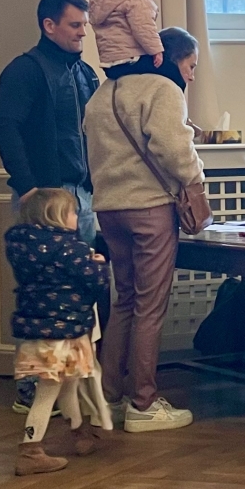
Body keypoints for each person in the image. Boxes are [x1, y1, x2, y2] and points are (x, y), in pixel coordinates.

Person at [84, 25, 203, 433]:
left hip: (108, 208)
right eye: (190, 66)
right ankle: (144, 404)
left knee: (124, 301)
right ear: (171, 59)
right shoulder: (162, 89)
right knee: (150, 307)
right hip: (149, 207)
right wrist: (196, 178)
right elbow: (173, 150)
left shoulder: (103, 93)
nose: (191, 76)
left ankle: (109, 399)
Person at [0, 0, 100, 412]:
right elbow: (5, 127)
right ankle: (32, 391)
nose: (82, 33)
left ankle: (71, 386)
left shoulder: (85, 72)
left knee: (77, 294)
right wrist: (29, 187)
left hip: (83, 194)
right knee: (43, 297)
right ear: (49, 25)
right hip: (46, 196)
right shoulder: (24, 70)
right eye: (75, 25)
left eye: (84, 26)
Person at [3, 187, 116, 475]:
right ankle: (30, 450)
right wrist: (99, 266)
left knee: (68, 383)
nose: (77, 217)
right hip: (65, 329)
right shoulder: (70, 249)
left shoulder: (21, 246)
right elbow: (95, 283)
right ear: (56, 217)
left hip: (39, 328)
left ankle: (80, 433)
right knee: (48, 391)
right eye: (73, 212)